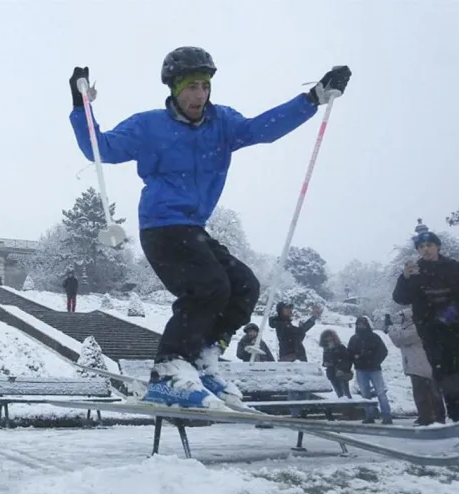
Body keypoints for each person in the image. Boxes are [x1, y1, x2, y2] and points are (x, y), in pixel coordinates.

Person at [69, 47, 351, 408]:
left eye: (204, 86)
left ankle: (202, 358)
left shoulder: (222, 123)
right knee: (209, 286)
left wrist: (312, 99)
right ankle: (168, 373)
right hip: (162, 227)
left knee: (244, 286)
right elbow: (101, 148)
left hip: (194, 228)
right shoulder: (150, 126)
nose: (199, 94)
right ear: (173, 88)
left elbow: (262, 129)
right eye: (190, 87)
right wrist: (81, 108)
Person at [393, 220, 459, 443]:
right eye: (421, 247)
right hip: (434, 337)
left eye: (429, 245)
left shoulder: (456, 268)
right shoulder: (414, 273)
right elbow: (400, 298)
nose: (425, 249)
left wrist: (453, 312)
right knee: (447, 381)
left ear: (437, 247)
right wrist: (405, 278)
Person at [386, 308, 445, 426]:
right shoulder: (411, 327)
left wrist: (390, 328)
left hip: (421, 365)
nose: (401, 319)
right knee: (427, 394)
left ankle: (430, 417)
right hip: (418, 364)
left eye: (403, 316)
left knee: (424, 394)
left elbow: (399, 339)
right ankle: (431, 416)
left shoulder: (416, 327)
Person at [348, 316, 393, 424]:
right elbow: (349, 353)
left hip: (374, 369)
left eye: (362, 324)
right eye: (358, 324)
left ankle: (386, 415)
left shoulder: (374, 337)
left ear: (367, 325)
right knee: (365, 394)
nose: (360, 326)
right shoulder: (354, 338)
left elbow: (383, 351)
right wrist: (354, 359)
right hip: (360, 369)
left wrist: (374, 361)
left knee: (381, 392)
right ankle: (369, 416)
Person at [319, 329, 353, 399]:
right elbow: (325, 360)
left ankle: (350, 407)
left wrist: (342, 368)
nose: (328, 339)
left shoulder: (341, 347)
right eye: (326, 337)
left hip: (341, 372)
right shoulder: (326, 349)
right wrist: (326, 363)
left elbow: (347, 360)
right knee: (339, 393)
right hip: (331, 373)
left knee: (346, 393)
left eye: (330, 337)